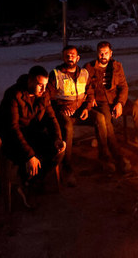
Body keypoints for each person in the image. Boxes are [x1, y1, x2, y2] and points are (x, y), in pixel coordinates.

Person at [0, 65, 66, 207]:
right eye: (40, 85)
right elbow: (12, 128)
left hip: (31, 131)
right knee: (28, 157)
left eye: (45, 85)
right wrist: (29, 155)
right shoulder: (13, 94)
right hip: (12, 136)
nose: (43, 89)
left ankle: (29, 182)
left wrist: (58, 138)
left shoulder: (44, 94)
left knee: (58, 151)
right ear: (30, 81)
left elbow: (51, 118)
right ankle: (27, 182)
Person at [47, 45, 98, 185]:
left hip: (80, 110)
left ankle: (105, 158)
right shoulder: (56, 74)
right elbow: (48, 99)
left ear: (78, 58)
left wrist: (87, 108)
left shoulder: (84, 73)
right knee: (68, 127)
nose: (70, 58)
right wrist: (60, 108)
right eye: (67, 56)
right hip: (63, 112)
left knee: (100, 119)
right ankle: (67, 167)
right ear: (63, 58)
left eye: (73, 55)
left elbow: (90, 93)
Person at [84, 41, 132, 173]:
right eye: (101, 53)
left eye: (106, 53)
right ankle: (115, 156)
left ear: (111, 53)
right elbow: (85, 86)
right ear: (97, 53)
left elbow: (124, 86)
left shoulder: (117, 66)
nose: (103, 55)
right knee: (106, 122)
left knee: (137, 109)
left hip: (114, 100)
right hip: (100, 102)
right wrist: (90, 97)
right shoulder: (89, 67)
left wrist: (120, 103)